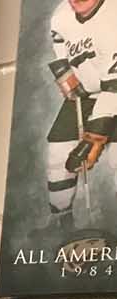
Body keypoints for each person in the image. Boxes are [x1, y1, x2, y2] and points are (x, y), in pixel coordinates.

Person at [44, 0, 117, 230]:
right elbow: (62, 49)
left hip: (114, 91)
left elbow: (114, 88)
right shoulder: (61, 15)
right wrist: (66, 75)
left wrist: (93, 139)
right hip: (87, 94)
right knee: (57, 156)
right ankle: (61, 221)